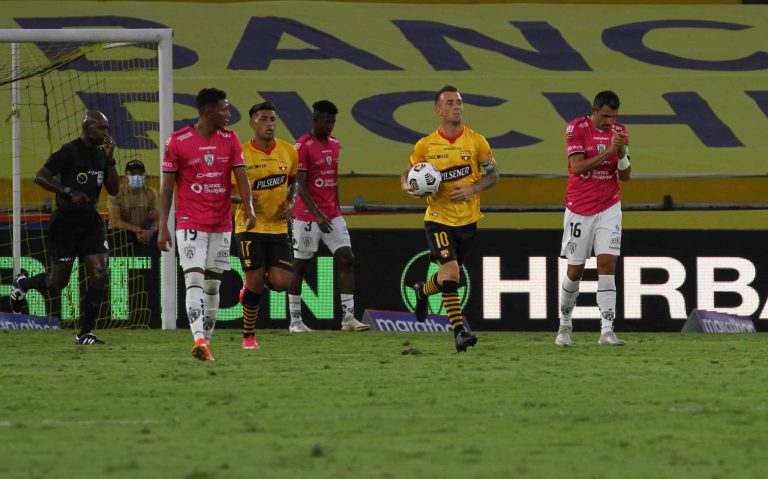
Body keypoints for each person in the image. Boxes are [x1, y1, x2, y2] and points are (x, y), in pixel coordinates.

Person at [158, 88, 256, 361]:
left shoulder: (231, 139)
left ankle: (206, 344)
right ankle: (198, 338)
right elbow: (167, 189)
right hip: (191, 223)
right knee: (194, 279)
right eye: (224, 109)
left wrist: (248, 207)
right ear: (209, 112)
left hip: (221, 223)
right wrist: (163, 225)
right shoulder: (178, 141)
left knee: (213, 286)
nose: (229, 114)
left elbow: (242, 176)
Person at [401, 85, 499, 353]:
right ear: (438, 110)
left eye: (459, 102)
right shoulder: (425, 145)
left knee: (447, 278)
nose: (457, 106)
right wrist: (409, 187)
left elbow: (493, 175)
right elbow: (407, 174)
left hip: (467, 221)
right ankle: (459, 332)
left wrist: (473, 188)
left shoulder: (477, 141)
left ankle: (422, 291)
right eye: (450, 102)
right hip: (438, 219)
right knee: (452, 272)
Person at [10, 111, 120, 344]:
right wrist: (68, 192)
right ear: (87, 128)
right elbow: (40, 176)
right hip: (65, 224)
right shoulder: (69, 151)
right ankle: (23, 284)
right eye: (101, 128)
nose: (105, 133)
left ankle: (85, 333)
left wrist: (110, 159)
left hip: (90, 223)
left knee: (100, 271)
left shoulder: (102, 155)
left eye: (106, 128)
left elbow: (114, 190)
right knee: (57, 283)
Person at [555, 90, 631, 347]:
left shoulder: (620, 132)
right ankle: (565, 325)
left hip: (609, 205)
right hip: (579, 207)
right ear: (594, 110)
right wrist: (609, 150)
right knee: (575, 270)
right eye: (607, 116)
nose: (611, 122)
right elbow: (577, 167)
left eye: (614, 116)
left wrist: (620, 154)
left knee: (607, 265)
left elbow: (627, 174)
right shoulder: (576, 128)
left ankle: (607, 330)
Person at [288, 100, 369, 332]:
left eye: (333, 121)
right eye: (326, 121)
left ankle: (348, 318)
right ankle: (295, 321)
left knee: (347, 258)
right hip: (306, 217)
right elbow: (300, 185)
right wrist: (317, 215)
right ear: (315, 121)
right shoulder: (302, 146)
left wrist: (335, 209)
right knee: (300, 267)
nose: (330, 126)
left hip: (332, 214)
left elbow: (332, 179)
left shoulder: (334, 144)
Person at [233, 102, 298, 349]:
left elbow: (294, 183)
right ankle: (249, 336)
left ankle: (250, 286)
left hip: (278, 226)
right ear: (252, 123)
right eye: (263, 119)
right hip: (249, 226)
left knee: (282, 284)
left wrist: (291, 202)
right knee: (256, 280)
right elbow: (227, 191)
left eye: (272, 119)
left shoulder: (289, 151)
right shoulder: (240, 154)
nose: (269, 123)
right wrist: (246, 198)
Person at [108, 159, 159, 247]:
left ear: (144, 175)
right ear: (125, 176)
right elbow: (115, 221)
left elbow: (158, 219)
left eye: (140, 173)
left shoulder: (151, 193)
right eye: (132, 174)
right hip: (119, 235)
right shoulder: (116, 192)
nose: (137, 176)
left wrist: (151, 229)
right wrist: (138, 230)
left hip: (144, 234)